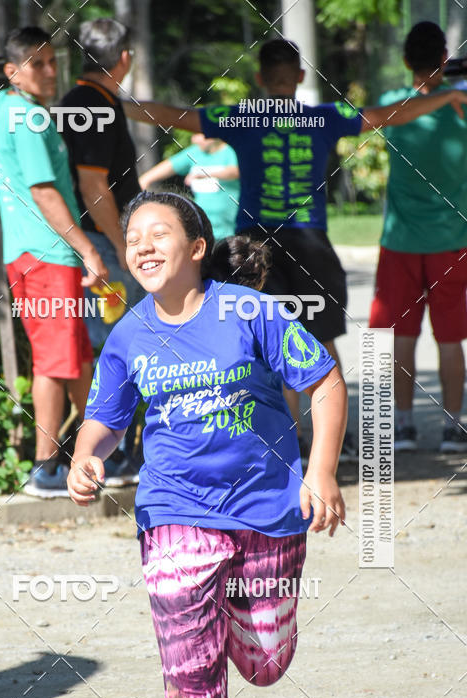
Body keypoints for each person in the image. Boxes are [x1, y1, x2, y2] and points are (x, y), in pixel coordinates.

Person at [67, 190, 347, 698]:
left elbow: (325, 380)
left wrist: (324, 473)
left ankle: (237, 625)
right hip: (174, 512)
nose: (141, 245)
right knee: (187, 671)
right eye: (133, 236)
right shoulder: (130, 333)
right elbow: (107, 415)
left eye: (159, 232)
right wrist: (85, 453)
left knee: (265, 662)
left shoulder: (249, 311)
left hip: (270, 515)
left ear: (197, 248)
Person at [122, 39, 467, 460]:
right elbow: (385, 116)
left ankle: (289, 441)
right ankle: (333, 443)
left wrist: (118, 103)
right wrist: (447, 95)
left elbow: (177, 116)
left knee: (265, 345)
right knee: (320, 341)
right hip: (309, 241)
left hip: (253, 246)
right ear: (301, 76)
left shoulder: (240, 119)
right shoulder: (325, 118)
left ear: (261, 79)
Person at [0, 27, 108, 498]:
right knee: (55, 360)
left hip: (27, 254)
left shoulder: (1, 107)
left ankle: (100, 451)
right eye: (38, 64)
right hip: (47, 253)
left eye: (52, 62)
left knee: (77, 355)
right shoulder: (29, 119)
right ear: (14, 70)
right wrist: (88, 249)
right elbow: (44, 192)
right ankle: (45, 468)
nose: (50, 71)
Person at [369, 21, 467, 453]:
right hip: (451, 240)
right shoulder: (462, 108)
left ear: (406, 60)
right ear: (444, 61)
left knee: (401, 337)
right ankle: (452, 427)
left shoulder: (392, 105)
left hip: (401, 244)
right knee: (450, 339)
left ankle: (404, 427)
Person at [59, 17, 145, 484]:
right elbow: (94, 185)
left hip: (97, 244)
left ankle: (111, 453)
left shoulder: (87, 101)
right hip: (103, 247)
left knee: (111, 344)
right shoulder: (93, 104)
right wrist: (122, 244)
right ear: (124, 58)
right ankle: (107, 457)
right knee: (114, 346)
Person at [139, 133, 240, 239]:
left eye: (198, 135)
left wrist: (204, 173)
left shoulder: (230, 150)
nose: (194, 139)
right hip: (203, 228)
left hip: (230, 228)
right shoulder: (195, 152)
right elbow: (170, 165)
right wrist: (146, 179)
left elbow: (235, 171)